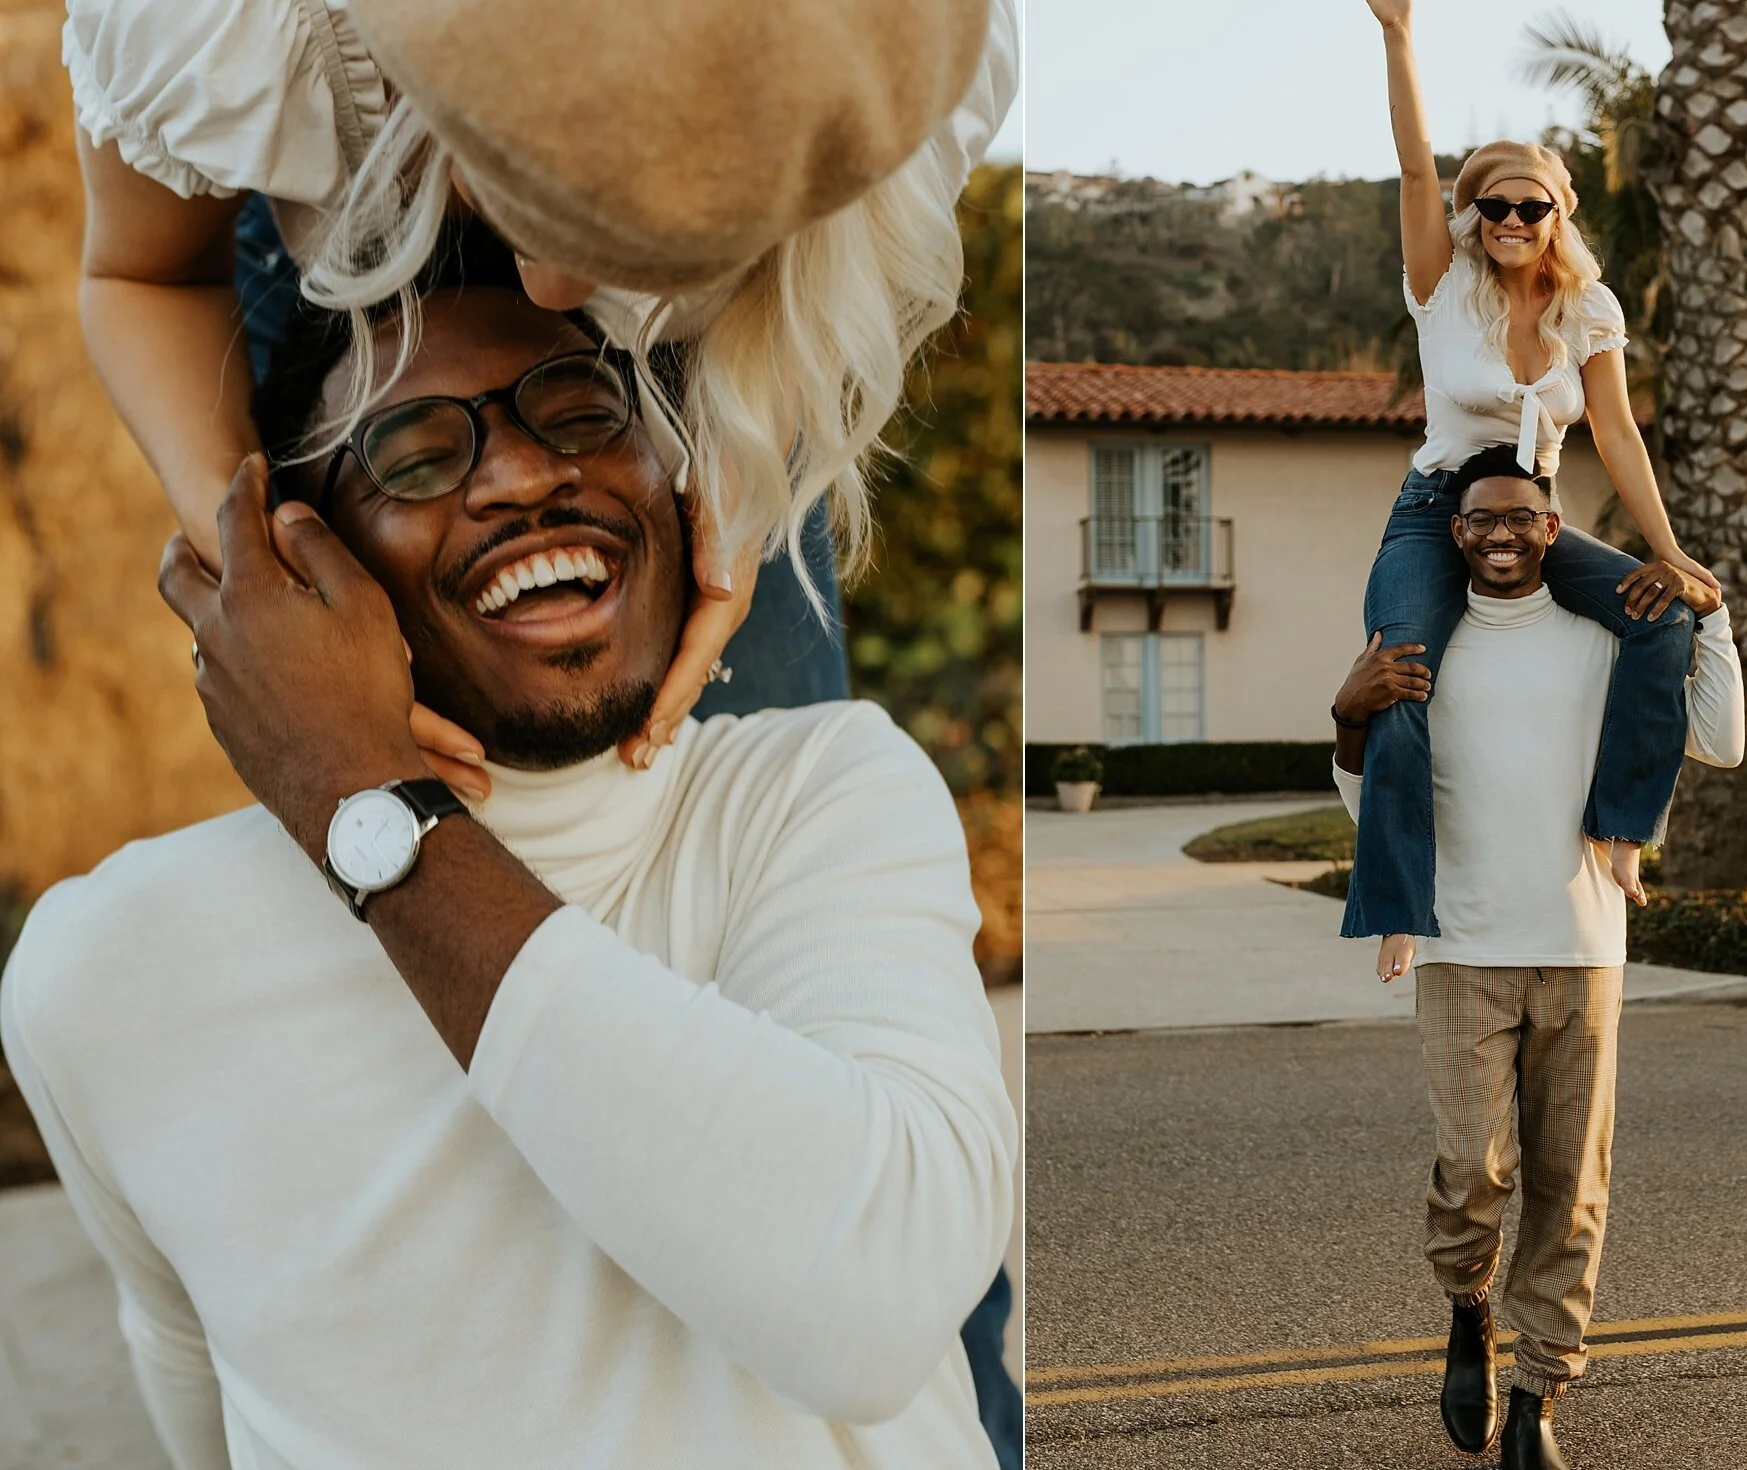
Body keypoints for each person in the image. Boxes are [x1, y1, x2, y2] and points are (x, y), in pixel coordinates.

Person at [0, 255, 1014, 1468]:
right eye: (416, 456)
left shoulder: (818, 791)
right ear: (300, 565)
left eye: (584, 411)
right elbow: (198, 1373)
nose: (530, 474)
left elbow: (872, 1307)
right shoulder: (107, 966)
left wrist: (363, 802)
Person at [59, 0, 1017, 790]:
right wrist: (263, 562)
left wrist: (740, 467)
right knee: (341, 729)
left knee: (767, 770)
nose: (558, 294)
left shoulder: (914, 30)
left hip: (719, 342)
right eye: (541, 207)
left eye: (644, 251)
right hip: (330, 247)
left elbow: (808, 301)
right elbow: (149, 278)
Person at [1329, 445, 1743, 1469]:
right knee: (1474, 1170)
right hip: (1459, 946)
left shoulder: (1606, 635)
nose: (1500, 535)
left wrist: (1713, 611)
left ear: (1552, 528)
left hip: (1582, 946)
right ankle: (1468, 1300)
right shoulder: (1424, 639)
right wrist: (1347, 714)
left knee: (1569, 1188)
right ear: (1451, 532)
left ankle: (1536, 1396)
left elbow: (1719, 741)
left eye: (1520, 517)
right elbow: (1366, 800)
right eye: (1478, 521)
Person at [1346, 0, 1722, 973]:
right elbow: (1415, 165)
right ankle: (1396, 905)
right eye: (1494, 207)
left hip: (1534, 516)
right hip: (1434, 513)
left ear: (1559, 214)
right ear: (1474, 214)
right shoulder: (1441, 283)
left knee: (1664, 619)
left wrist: (1669, 552)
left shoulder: (1586, 309)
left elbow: (1616, 432)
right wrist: (1397, 34)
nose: (1510, 222)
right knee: (1398, 676)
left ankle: (1618, 827)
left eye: (1531, 207)